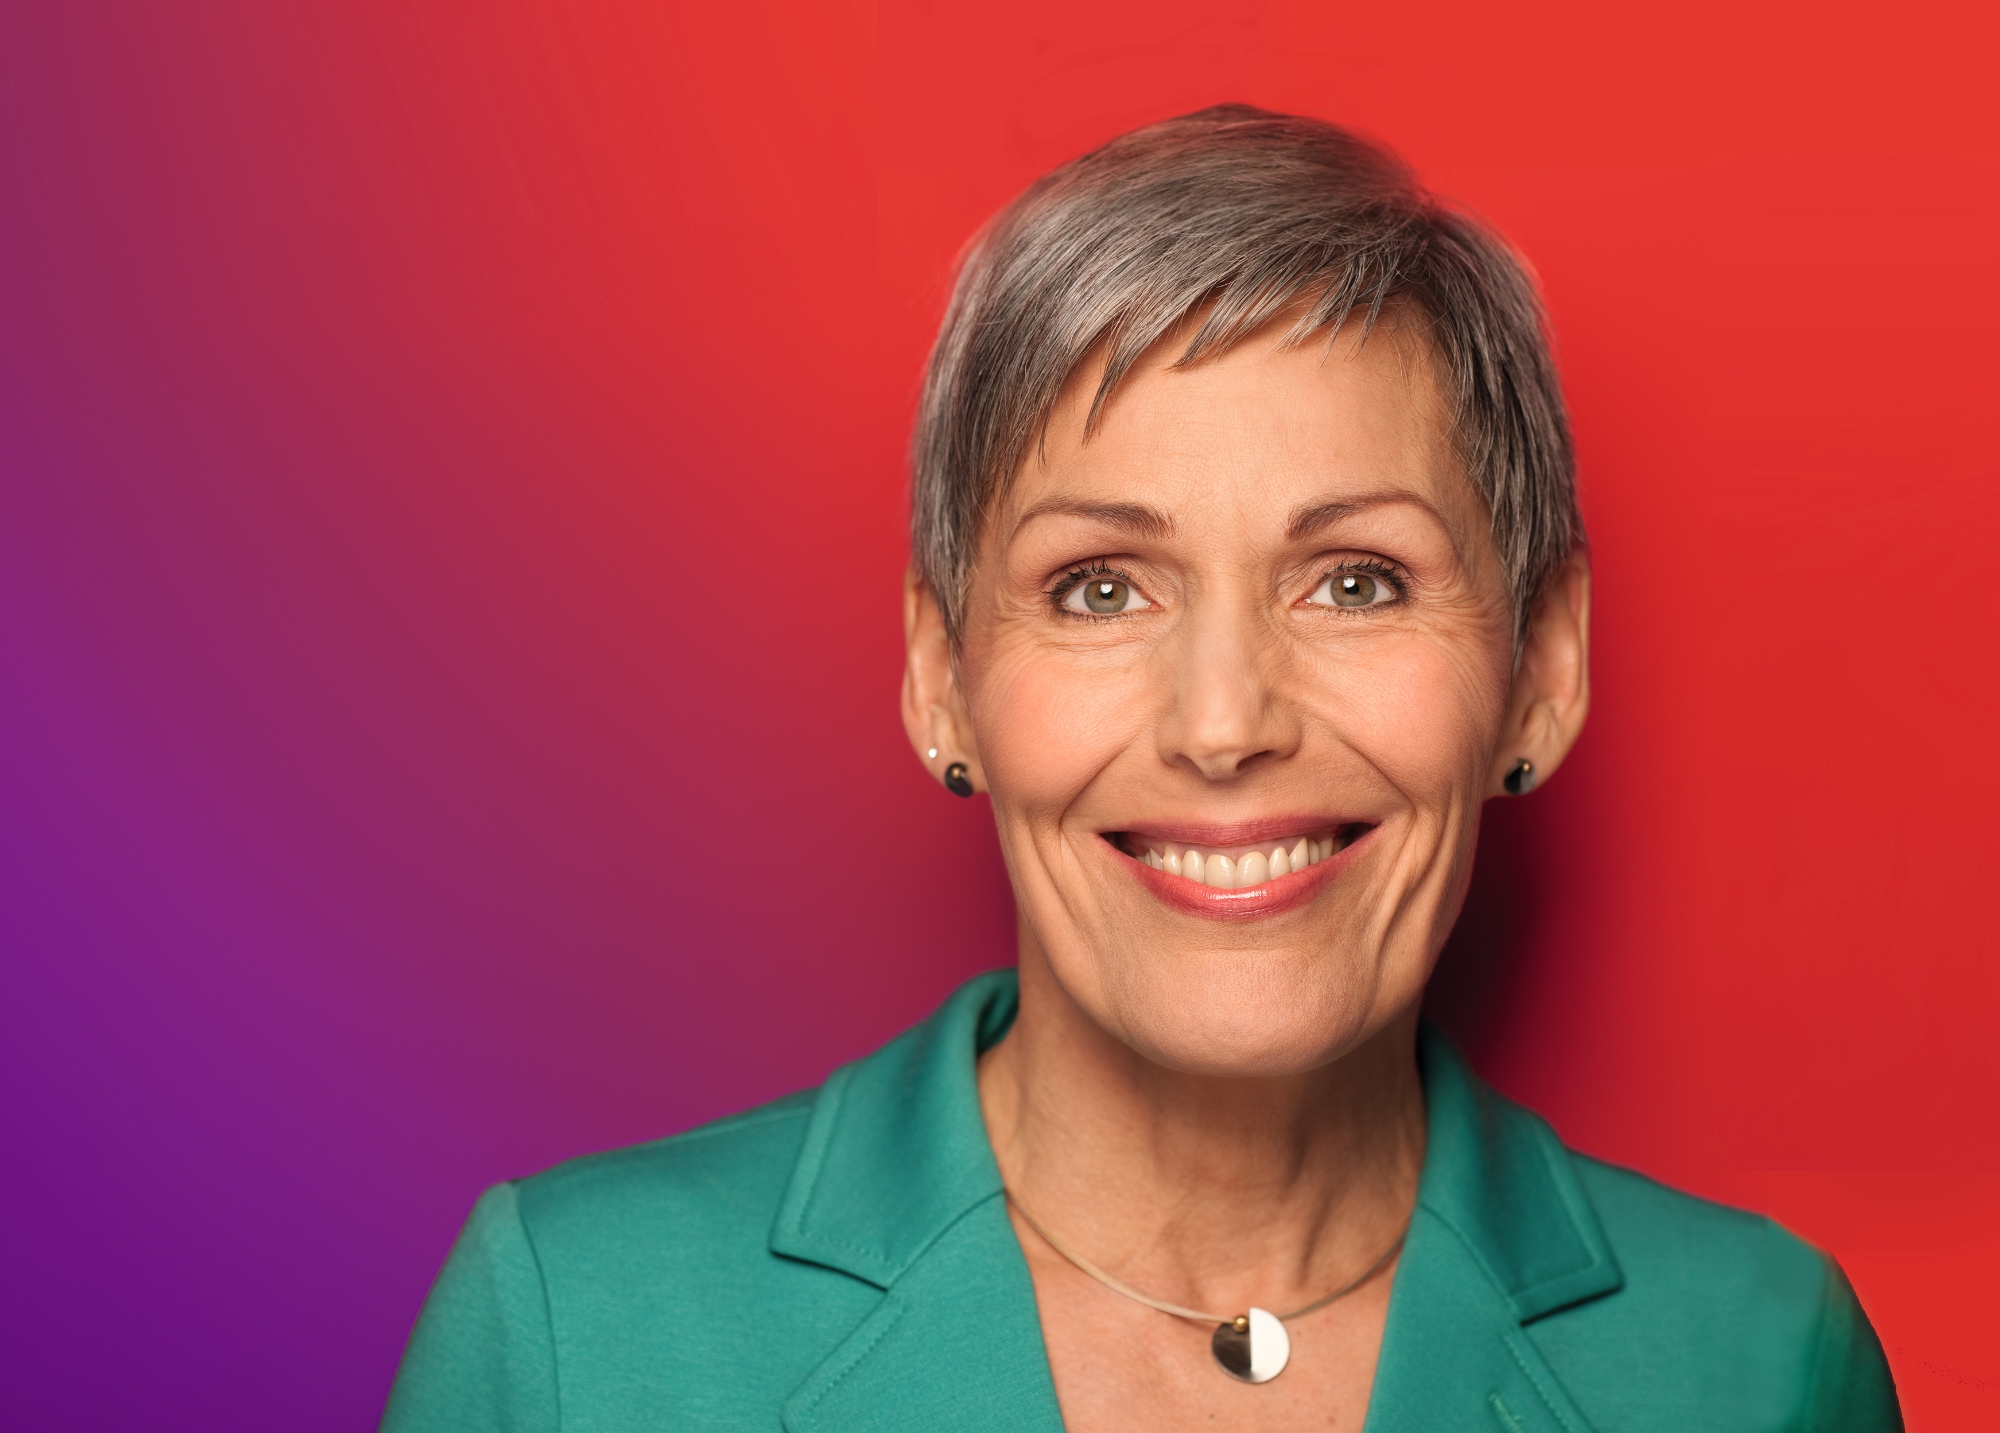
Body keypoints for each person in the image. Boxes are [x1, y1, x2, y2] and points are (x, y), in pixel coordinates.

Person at [382, 106, 1899, 1431]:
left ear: (1543, 671)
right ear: (942, 676)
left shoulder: (1760, 1362)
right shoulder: (571, 1329)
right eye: (1101, 587)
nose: (1223, 722)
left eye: (1356, 579)